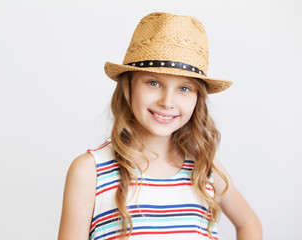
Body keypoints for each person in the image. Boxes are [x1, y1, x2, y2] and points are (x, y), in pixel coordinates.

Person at [58, 12, 262, 240]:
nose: (167, 101)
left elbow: (249, 223)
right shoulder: (90, 171)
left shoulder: (206, 169)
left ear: (198, 99)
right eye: (153, 83)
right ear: (128, 87)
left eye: (184, 88)